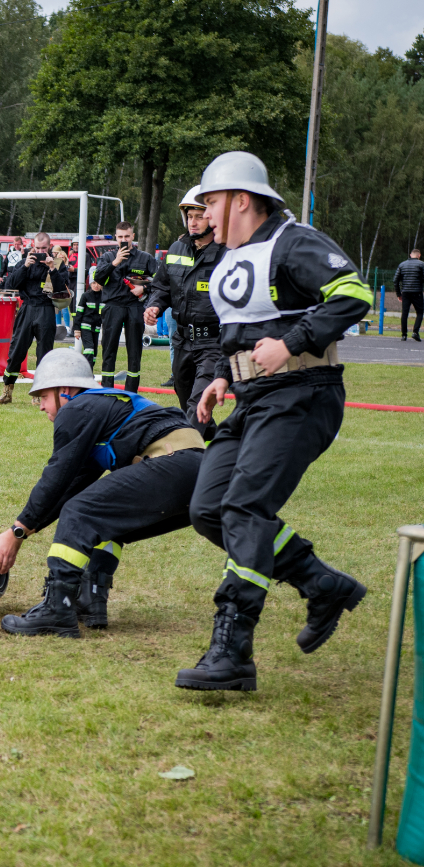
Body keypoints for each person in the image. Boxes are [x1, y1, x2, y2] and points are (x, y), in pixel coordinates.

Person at [176, 151, 372, 692]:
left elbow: (354, 295)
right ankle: (320, 584)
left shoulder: (293, 241)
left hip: (303, 393)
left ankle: (233, 651)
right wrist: (221, 374)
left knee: (244, 507)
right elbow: (234, 330)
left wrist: (289, 343)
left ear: (242, 200)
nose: (204, 214)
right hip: (253, 397)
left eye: (210, 202)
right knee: (209, 509)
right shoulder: (227, 257)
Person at [0, 348, 206, 636]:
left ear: (64, 390)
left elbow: (56, 476)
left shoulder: (77, 408)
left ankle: (57, 609)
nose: (40, 407)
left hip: (172, 463)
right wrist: (24, 531)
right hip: (199, 475)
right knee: (101, 514)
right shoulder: (103, 408)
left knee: (80, 512)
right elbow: (68, 486)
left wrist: (17, 530)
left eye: (42, 397)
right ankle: (91, 600)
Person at [144, 186, 225, 438]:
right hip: (181, 340)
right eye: (189, 216)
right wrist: (154, 305)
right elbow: (162, 286)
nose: (193, 222)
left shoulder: (228, 254)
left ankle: (185, 453)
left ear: (212, 217)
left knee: (197, 402)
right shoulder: (176, 250)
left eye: (198, 216)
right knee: (185, 397)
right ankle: (212, 434)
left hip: (212, 342)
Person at [0, 232, 70, 405]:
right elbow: (10, 284)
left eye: (44, 248)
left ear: (49, 247)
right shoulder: (25, 261)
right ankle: (7, 391)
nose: (40, 251)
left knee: (44, 353)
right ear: (33, 246)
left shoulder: (57, 264)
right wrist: (25, 267)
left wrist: (52, 269)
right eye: (37, 248)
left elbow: (61, 290)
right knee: (16, 349)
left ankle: (39, 393)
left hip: (46, 309)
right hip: (27, 308)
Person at [93, 221, 158, 392]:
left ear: (133, 237)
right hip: (112, 307)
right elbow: (98, 279)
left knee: (135, 351)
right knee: (108, 350)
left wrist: (144, 288)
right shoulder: (107, 257)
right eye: (120, 236)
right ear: (116, 237)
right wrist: (114, 262)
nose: (124, 239)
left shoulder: (146, 258)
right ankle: (107, 391)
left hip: (135, 307)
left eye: (127, 236)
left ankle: (131, 393)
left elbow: (160, 282)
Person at [393, 248, 423, 341]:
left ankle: (404, 335)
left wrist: (398, 294)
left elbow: (395, 280)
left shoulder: (402, 264)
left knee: (405, 313)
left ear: (410, 255)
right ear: (419, 256)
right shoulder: (421, 264)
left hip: (405, 292)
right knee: (420, 312)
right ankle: (415, 332)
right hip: (417, 292)